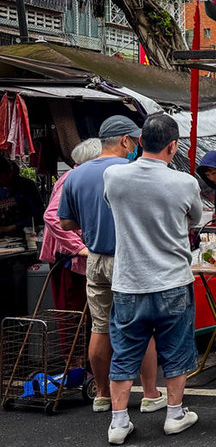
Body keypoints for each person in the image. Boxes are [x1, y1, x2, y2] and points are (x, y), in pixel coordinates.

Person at [102, 114, 204, 444]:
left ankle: (118, 422)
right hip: (173, 281)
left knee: (125, 352)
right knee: (175, 349)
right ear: (172, 146)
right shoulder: (185, 182)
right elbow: (196, 218)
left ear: (140, 141)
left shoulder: (113, 177)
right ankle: (174, 414)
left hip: (129, 282)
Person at [58, 115, 162, 413]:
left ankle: (102, 394)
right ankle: (152, 394)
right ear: (125, 140)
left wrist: (90, 222)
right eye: (135, 140)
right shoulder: (130, 171)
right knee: (142, 327)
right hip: (128, 260)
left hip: (95, 260)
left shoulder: (74, 175)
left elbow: (64, 221)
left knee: (100, 327)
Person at [40, 138, 101, 313]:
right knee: (72, 317)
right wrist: (79, 248)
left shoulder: (80, 177)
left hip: (76, 257)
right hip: (67, 258)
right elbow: (52, 216)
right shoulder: (73, 178)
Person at [0, 154, 43, 237]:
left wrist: (13, 227)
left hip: (27, 236)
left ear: (10, 172)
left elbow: (37, 215)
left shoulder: (27, 186)